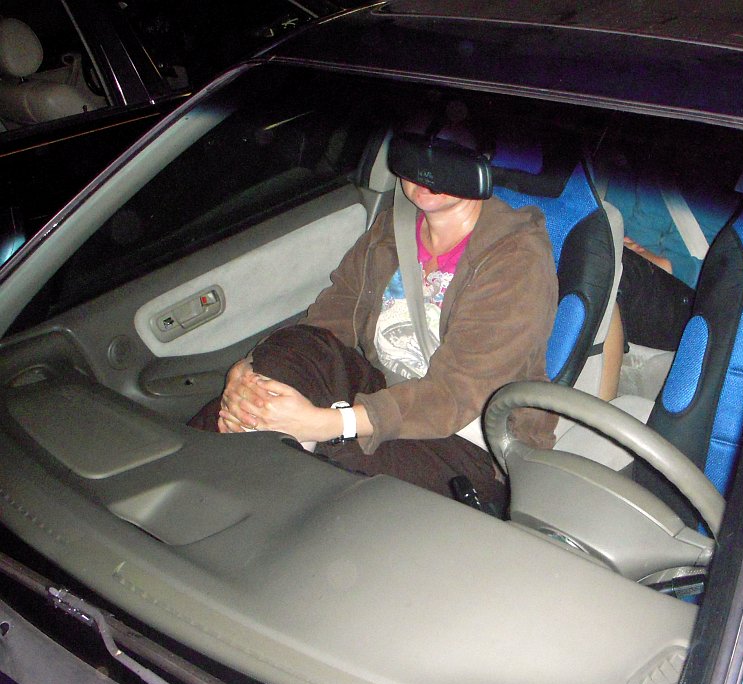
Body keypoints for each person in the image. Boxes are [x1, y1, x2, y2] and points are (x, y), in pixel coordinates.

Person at [189, 123, 558, 512]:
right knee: (282, 367)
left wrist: (328, 423)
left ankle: (217, 508)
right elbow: (324, 327)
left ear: (482, 164)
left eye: (449, 156)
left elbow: (455, 394)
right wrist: (249, 370)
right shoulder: (391, 229)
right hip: (381, 392)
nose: (427, 171)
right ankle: (190, 494)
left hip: (465, 439)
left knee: (327, 458)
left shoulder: (517, 258)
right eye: (417, 150)